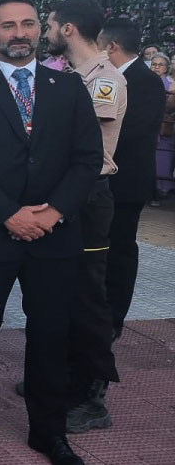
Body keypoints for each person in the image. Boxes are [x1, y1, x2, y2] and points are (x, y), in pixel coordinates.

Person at [0, 0, 101, 465]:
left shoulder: (69, 89)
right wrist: (8, 214)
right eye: (7, 25)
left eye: (28, 23)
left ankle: (48, 431)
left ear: (40, 30)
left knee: (51, 337)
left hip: (54, 237)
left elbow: (87, 159)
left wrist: (53, 213)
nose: (19, 32)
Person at [36, 0, 125, 435]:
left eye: (49, 24)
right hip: (65, 194)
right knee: (62, 289)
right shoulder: (70, 76)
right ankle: (66, 379)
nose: (45, 31)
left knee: (89, 294)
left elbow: (75, 132)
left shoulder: (104, 79)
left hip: (89, 196)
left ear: (67, 29)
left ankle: (93, 394)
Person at [98, 20, 165, 340]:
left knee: (120, 250)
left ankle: (114, 318)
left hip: (126, 183)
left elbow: (128, 132)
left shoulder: (146, 81)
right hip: (106, 182)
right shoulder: (108, 79)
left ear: (111, 47)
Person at [150, 53, 173, 200]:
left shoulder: (169, 84)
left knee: (163, 156)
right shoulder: (145, 81)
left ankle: (162, 189)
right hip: (149, 124)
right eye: (154, 64)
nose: (156, 67)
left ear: (166, 68)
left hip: (164, 126)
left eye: (160, 65)